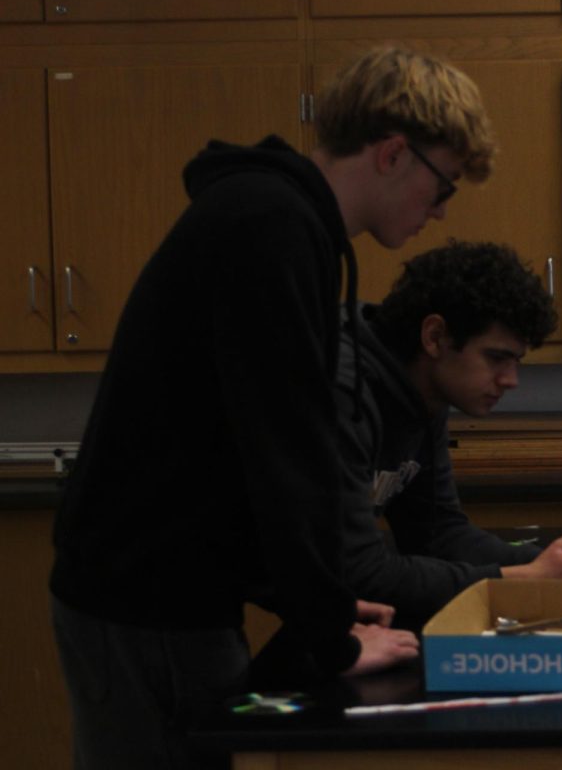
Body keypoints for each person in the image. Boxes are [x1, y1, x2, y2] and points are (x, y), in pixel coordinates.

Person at [49, 46, 495, 770]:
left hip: (168, 595)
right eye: (442, 185)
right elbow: (282, 452)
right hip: (143, 602)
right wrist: (333, 635)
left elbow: (236, 447)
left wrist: (319, 607)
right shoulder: (270, 227)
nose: (440, 212)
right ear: (391, 154)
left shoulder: (279, 221)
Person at [336, 240, 562, 632]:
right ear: (435, 337)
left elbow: (437, 533)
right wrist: (523, 579)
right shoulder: (340, 392)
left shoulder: (424, 389)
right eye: (496, 358)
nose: (511, 380)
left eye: (516, 362)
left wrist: (552, 563)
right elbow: (354, 571)